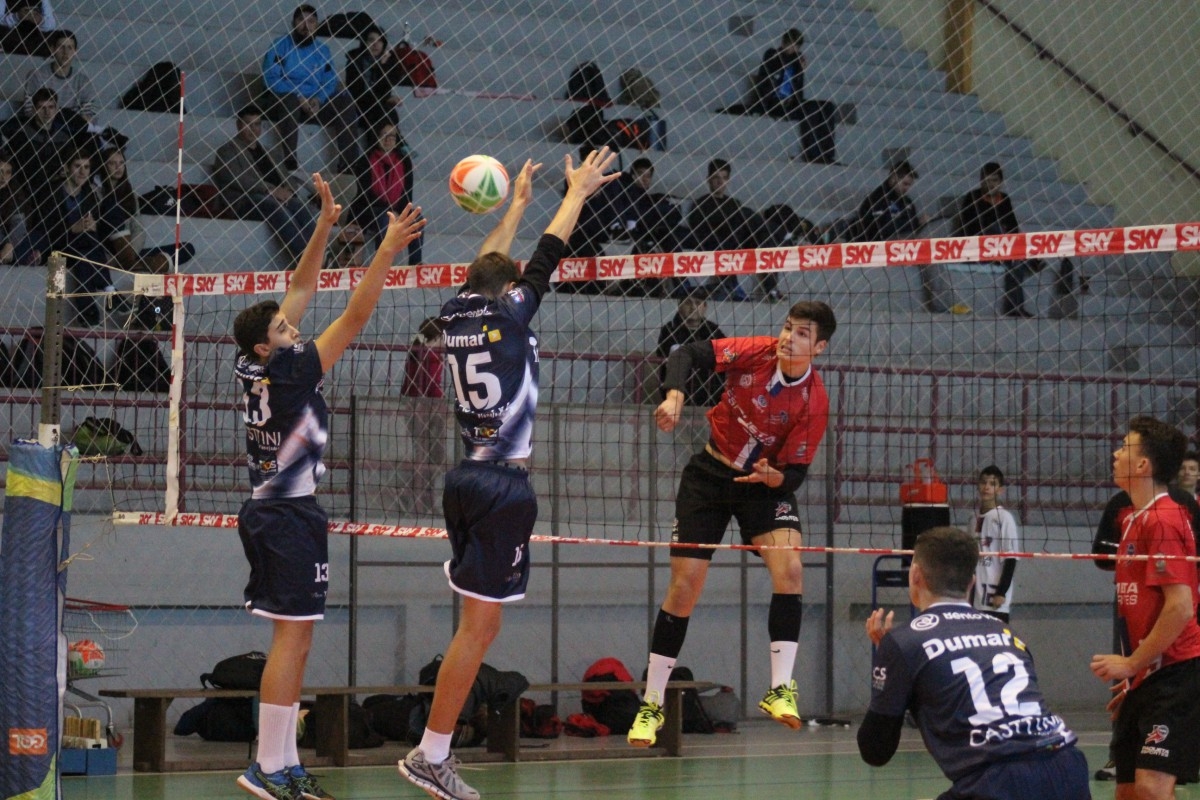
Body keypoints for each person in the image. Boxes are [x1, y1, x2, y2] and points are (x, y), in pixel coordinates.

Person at [399, 148, 621, 800]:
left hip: (465, 476)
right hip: (502, 487)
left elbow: (490, 267)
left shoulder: (455, 313)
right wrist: (573, 191)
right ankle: (431, 756)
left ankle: (434, 752)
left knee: (476, 625)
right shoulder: (509, 312)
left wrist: (515, 206)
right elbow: (551, 252)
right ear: (510, 289)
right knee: (481, 630)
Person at [233, 173, 423, 800]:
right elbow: (356, 313)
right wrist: (386, 249)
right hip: (285, 514)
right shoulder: (287, 371)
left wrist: (323, 225)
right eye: (286, 331)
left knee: (299, 634)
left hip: (280, 510)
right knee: (292, 637)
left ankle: (284, 764)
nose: (295, 329)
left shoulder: (252, 361)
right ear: (271, 348)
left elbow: (301, 287)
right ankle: (266, 765)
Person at [627, 300, 836, 748]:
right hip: (709, 476)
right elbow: (686, 353)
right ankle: (652, 704)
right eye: (787, 327)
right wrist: (675, 393)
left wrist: (776, 477)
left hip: (763, 485)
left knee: (791, 570)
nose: (788, 337)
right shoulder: (755, 352)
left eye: (802, 333)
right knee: (684, 590)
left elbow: (796, 472)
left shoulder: (814, 401)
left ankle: (781, 689)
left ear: (818, 347)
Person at [858, 526, 1091, 799]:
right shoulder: (1006, 633)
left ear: (916, 575)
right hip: (1068, 768)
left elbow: (875, 751)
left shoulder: (904, 642)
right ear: (971, 583)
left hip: (997, 781)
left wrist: (894, 663)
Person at [1090, 416, 1200, 800]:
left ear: (1143, 465)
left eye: (1125, 447)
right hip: (1147, 675)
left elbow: (1181, 608)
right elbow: (1136, 610)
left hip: (1174, 674)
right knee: (1128, 791)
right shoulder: (1135, 518)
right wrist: (1134, 674)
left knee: (1152, 790)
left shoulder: (1164, 520)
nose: (1116, 453)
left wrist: (1134, 663)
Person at [211, 104, 316, 261]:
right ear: (239, 125)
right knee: (275, 206)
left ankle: (321, 253)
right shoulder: (227, 151)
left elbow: (285, 175)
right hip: (246, 200)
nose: (253, 129)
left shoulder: (270, 151)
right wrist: (271, 191)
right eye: (249, 124)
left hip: (276, 196)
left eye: (257, 124)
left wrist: (288, 190)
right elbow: (237, 179)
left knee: (300, 206)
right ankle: (307, 260)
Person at [260, 4, 358, 172]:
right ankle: (290, 162)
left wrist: (318, 99)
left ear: (317, 25)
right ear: (293, 23)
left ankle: (348, 166)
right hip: (285, 102)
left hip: (313, 104)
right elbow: (271, 78)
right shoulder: (280, 45)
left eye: (311, 21)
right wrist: (298, 97)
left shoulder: (323, 50)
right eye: (301, 21)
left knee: (345, 101)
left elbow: (330, 81)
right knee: (289, 100)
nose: (306, 26)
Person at [35, 149, 112, 325]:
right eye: (78, 166)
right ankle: (107, 285)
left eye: (87, 167)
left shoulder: (89, 195)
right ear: (66, 168)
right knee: (86, 243)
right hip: (56, 248)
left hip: (81, 251)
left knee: (85, 254)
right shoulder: (51, 193)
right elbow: (44, 231)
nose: (83, 171)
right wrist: (72, 230)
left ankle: (88, 312)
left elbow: (93, 230)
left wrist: (92, 227)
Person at [92, 146, 194, 274]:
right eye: (112, 163)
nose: (118, 167)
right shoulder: (95, 192)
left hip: (131, 253)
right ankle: (142, 264)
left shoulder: (130, 194)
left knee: (187, 248)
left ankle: (132, 264)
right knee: (112, 205)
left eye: (121, 163)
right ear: (103, 166)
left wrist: (131, 255)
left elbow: (139, 229)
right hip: (108, 252)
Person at [952, 162, 1034, 317]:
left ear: (1001, 182)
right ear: (981, 181)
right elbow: (968, 228)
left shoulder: (1005, 200)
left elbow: (1013, 227)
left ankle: (1015, 307)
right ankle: (1029, 261)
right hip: (976, 245)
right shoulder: (973, 197)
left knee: (1017, 247)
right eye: (987, 180)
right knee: (995, 229)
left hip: (1001, 245)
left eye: (994, 180)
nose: (990, 184)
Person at [748, 28, 836, 164]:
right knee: (810, 110)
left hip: (791, 104)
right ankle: (813, 154)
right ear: (783, 43)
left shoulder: (796, 62)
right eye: (790, 44)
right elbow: (773, 69)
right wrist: (796, 61)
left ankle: (828, 154)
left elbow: (798, 92)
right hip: (774, 103)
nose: (792, 49)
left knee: (827, 106)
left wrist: (800, 70)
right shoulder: (772, 54)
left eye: (796, 46)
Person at [351, 120, 420, 265]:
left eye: (392, 136)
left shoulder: (404, 162)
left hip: (395, 209)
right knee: (385, 219)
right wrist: (390, 211)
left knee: (417, 218)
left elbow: (407, 193)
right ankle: (381, 264)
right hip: (368, 209)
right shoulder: (365, 160)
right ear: (376, 136)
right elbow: (365, 195)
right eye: (384, 135)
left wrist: (398, 212)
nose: (388, 140)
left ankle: (416, 264)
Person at [686, 158, 755, 300]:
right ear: (709, 179)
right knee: (740, 218)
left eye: (724, 178)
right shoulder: (700, 203)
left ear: (728, 180)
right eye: (716, 178)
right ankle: (731, 285)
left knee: (748, 215)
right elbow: (699, 232)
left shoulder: (734, 203)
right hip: (713, 243)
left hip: (735, 242)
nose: (720, 182)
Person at [401, 317, 446, 515]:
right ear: (438, 336)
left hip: (412, 407)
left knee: (423, 455)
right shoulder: (432, 355)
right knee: (432, 457)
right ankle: (420, 500)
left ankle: (420, 500)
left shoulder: (415, 351)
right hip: (427, 409)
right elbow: (434, 387)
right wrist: (442, 410)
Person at [655, 293, 726, 409]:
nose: (693, 307)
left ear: (705, 307)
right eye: (688, 303)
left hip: (710, 392)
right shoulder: (669, 330)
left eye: (697, 303)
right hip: (678, 388)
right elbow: (662, 355)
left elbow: (725, 351)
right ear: (679, 305)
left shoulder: (713, 330)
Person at [969, 464, 1019, 622]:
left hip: (995, 601)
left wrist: (1001, 592)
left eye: (992, 484)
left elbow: (1011, 559)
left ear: (1000, 490)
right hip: (975, 599)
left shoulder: (1004, 518)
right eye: (983, 482)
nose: (986, 487)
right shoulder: (973, 519)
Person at [20, 29, 96, 125]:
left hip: (72, 131)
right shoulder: (36, 75)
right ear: (52, 49)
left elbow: (88, 116)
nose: (65, 52)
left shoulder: (83, 81)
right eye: (61, 47)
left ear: (75, 52)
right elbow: (29, 111)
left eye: (70, 48)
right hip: (42, 129)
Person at [849, 159, 928, 243]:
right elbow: (882, 230)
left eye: (909, 185)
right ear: (894, 178)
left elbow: (910, 229)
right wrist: (915, 224)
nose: (907, 188)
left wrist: (920, 224)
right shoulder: (877, 199)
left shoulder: (907, 203)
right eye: (905, 184)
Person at [344, 26, 402, 131]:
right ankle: (398, 144)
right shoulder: (354, 62)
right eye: (371, 40)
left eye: (380, 40)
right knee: (382, 111)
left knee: (388, 112)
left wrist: (382, 67)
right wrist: (386, 100)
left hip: (379, 106)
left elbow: (388, 87)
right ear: (364, 42)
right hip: (358, 107)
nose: (376, 44)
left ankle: (394, 144)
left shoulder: (388, 62)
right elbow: (356, 93)